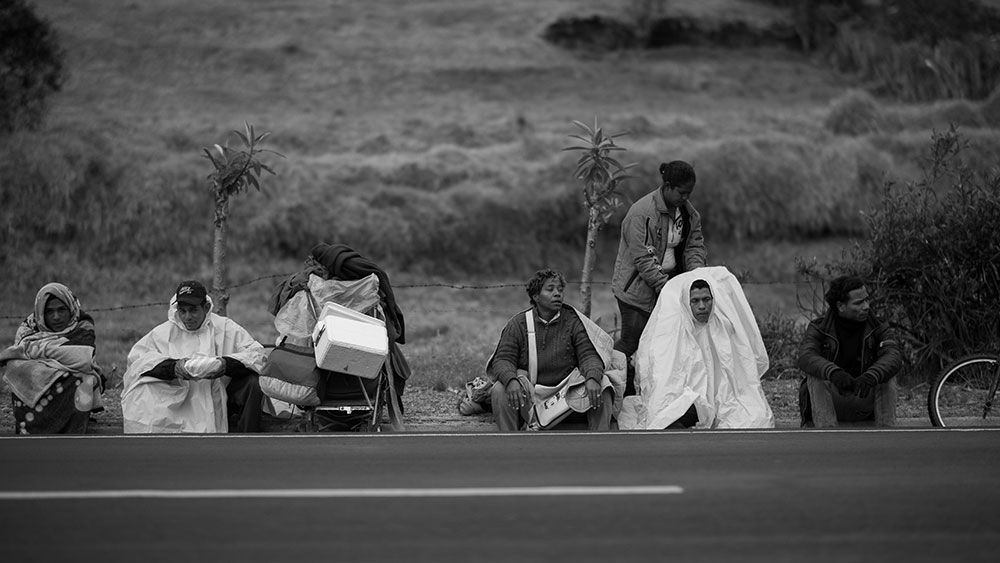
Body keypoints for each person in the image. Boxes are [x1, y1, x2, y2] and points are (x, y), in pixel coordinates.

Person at [618, 267, 774, 430]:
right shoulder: (673, 334)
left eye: (706, 300)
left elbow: (739, 374)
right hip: (687, 398)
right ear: (687, 302)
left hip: (719, 399)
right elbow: (664, 379)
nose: (702, 306)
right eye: (695, 301)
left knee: (754, 418)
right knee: (670, 416)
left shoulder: (724, 328)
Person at [612, 160, 707, 396]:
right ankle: (615, 389)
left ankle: (651, 393)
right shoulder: (642, 213)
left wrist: (694, 277)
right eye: (682, 193)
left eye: (689, 193)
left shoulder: (688, 214)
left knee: (661, 345)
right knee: (630, 343)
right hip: (637, 291)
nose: (686, 198)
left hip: (669, 287)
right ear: (667, 186)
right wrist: (668, 288)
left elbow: (694, 245)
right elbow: (643, 258)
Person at [487, 269, 624, 431]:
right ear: (536, 297)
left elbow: (588, 355)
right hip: (531, 394)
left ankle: (599, 443)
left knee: (602, 384)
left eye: (560, 289)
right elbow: (503, 359)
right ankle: (510, 443)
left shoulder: (573, 321)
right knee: (499, 389)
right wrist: (510, 380)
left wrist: (592, 378)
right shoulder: (518, 324)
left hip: (567, 394)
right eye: (550, 289)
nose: (557, 294)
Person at [121, 280, 266, 433]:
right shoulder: (163, 333)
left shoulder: (225, 327)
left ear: (206, 307)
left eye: (193, 310)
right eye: (182, 311)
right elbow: (137, 361)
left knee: (253, 383)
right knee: (143, 388)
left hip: (224, 396)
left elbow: (257, 356)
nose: (188, 317)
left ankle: (248, 440)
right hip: (180, 398)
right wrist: (173, 368)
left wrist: (226, 365)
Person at [796, 275, 901, 427]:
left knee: (888, 377)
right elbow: (806, 356)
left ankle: (886, 433)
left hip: (863, 395)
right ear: (840, 306)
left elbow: (894, 356)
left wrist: (872, 375)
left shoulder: (878, 327)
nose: (866, 306)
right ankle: (827, 434)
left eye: (866, 300)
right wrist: (834, 373)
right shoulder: (819, 328)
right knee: (815, 375)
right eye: (859, 303)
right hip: (832, 399)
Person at [1, 283, 105, 434]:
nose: (56, 317)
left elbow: (84, 358)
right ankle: (31, 425)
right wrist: (59, 355)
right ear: (41, 313)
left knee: (84, 377)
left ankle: (72, 427)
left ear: (70, 309)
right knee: (16, 367)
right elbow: (17, 364)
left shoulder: (83, 325)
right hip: (45, 377)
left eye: (61, 310)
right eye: (49, 311)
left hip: (64, 377)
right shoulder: (28, 329)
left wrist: (33, 350)